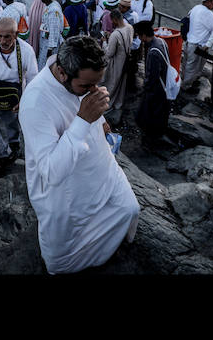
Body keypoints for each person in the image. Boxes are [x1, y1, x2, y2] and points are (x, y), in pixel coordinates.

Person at [18, 35, 140, 274]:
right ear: (62, 73)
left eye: (97, 84)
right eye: (86, 87)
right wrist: (84, 119)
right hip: (66, 191)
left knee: (129, 209)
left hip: (102, 170)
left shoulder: (79, 79)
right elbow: (51, 171)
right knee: (60, 261)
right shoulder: (35, 102)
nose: (92, 91)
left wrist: (100, 119)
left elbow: (87, 103)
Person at [0, 17, 39, 178]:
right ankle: (4, 154)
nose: (2, 40)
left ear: (16, 34)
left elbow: (33, 79)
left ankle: (14, 144)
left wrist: (24, 100)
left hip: (13, 95)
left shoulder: (26, 51)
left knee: (11, 122)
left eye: (7, 36)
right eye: (0, 36)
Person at [134, 20, 171, 144]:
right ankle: (158, 133)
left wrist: (145, 88)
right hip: (166, 84)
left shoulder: (153, 52)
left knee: (151, 114)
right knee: (160, 112)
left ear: (144, 35)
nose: (139, 38)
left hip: (157, 90)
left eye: (139, 35)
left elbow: (152, 76)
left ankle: (152, 138)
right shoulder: (162, 42)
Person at [100, 9, 134, 127]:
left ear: (114, 19)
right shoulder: (129, 27)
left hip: (116, 63)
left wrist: (105, 42)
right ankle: (118, 104)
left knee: (112, 84)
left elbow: (109, 53)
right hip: (126, 62)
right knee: (121, 84)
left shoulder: (115, 34)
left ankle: (108, 106)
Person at [181, 0, 213, 92]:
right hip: (198, 45)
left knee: (186, 64)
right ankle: (186, 87)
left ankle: (187, 80)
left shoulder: (196, 8)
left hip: (189, 41)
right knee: (193, 67)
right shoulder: (208, 13)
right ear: (207, 2)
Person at [37, 0, 65, 67]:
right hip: (46, 41)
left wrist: (50, 49)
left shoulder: (53, 10)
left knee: (47, 66)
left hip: (50, 44)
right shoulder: (50, 5)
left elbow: (54, 30)